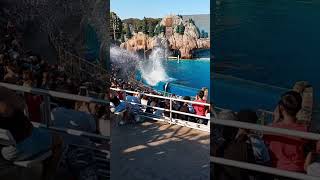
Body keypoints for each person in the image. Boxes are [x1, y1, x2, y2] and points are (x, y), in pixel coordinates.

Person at [0, 87, 62, 180]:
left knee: (42, 133)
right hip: (20, 148)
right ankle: (48, 177)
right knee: (58, 139)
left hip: (4, 149)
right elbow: (20, 104)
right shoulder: (3, 97)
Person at [264, 91, 308, 173]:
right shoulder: (304, 130)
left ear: (280, 108)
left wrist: (275, 121)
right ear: (299, 108)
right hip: (297, 171)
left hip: (275, 170)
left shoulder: (271, 129)